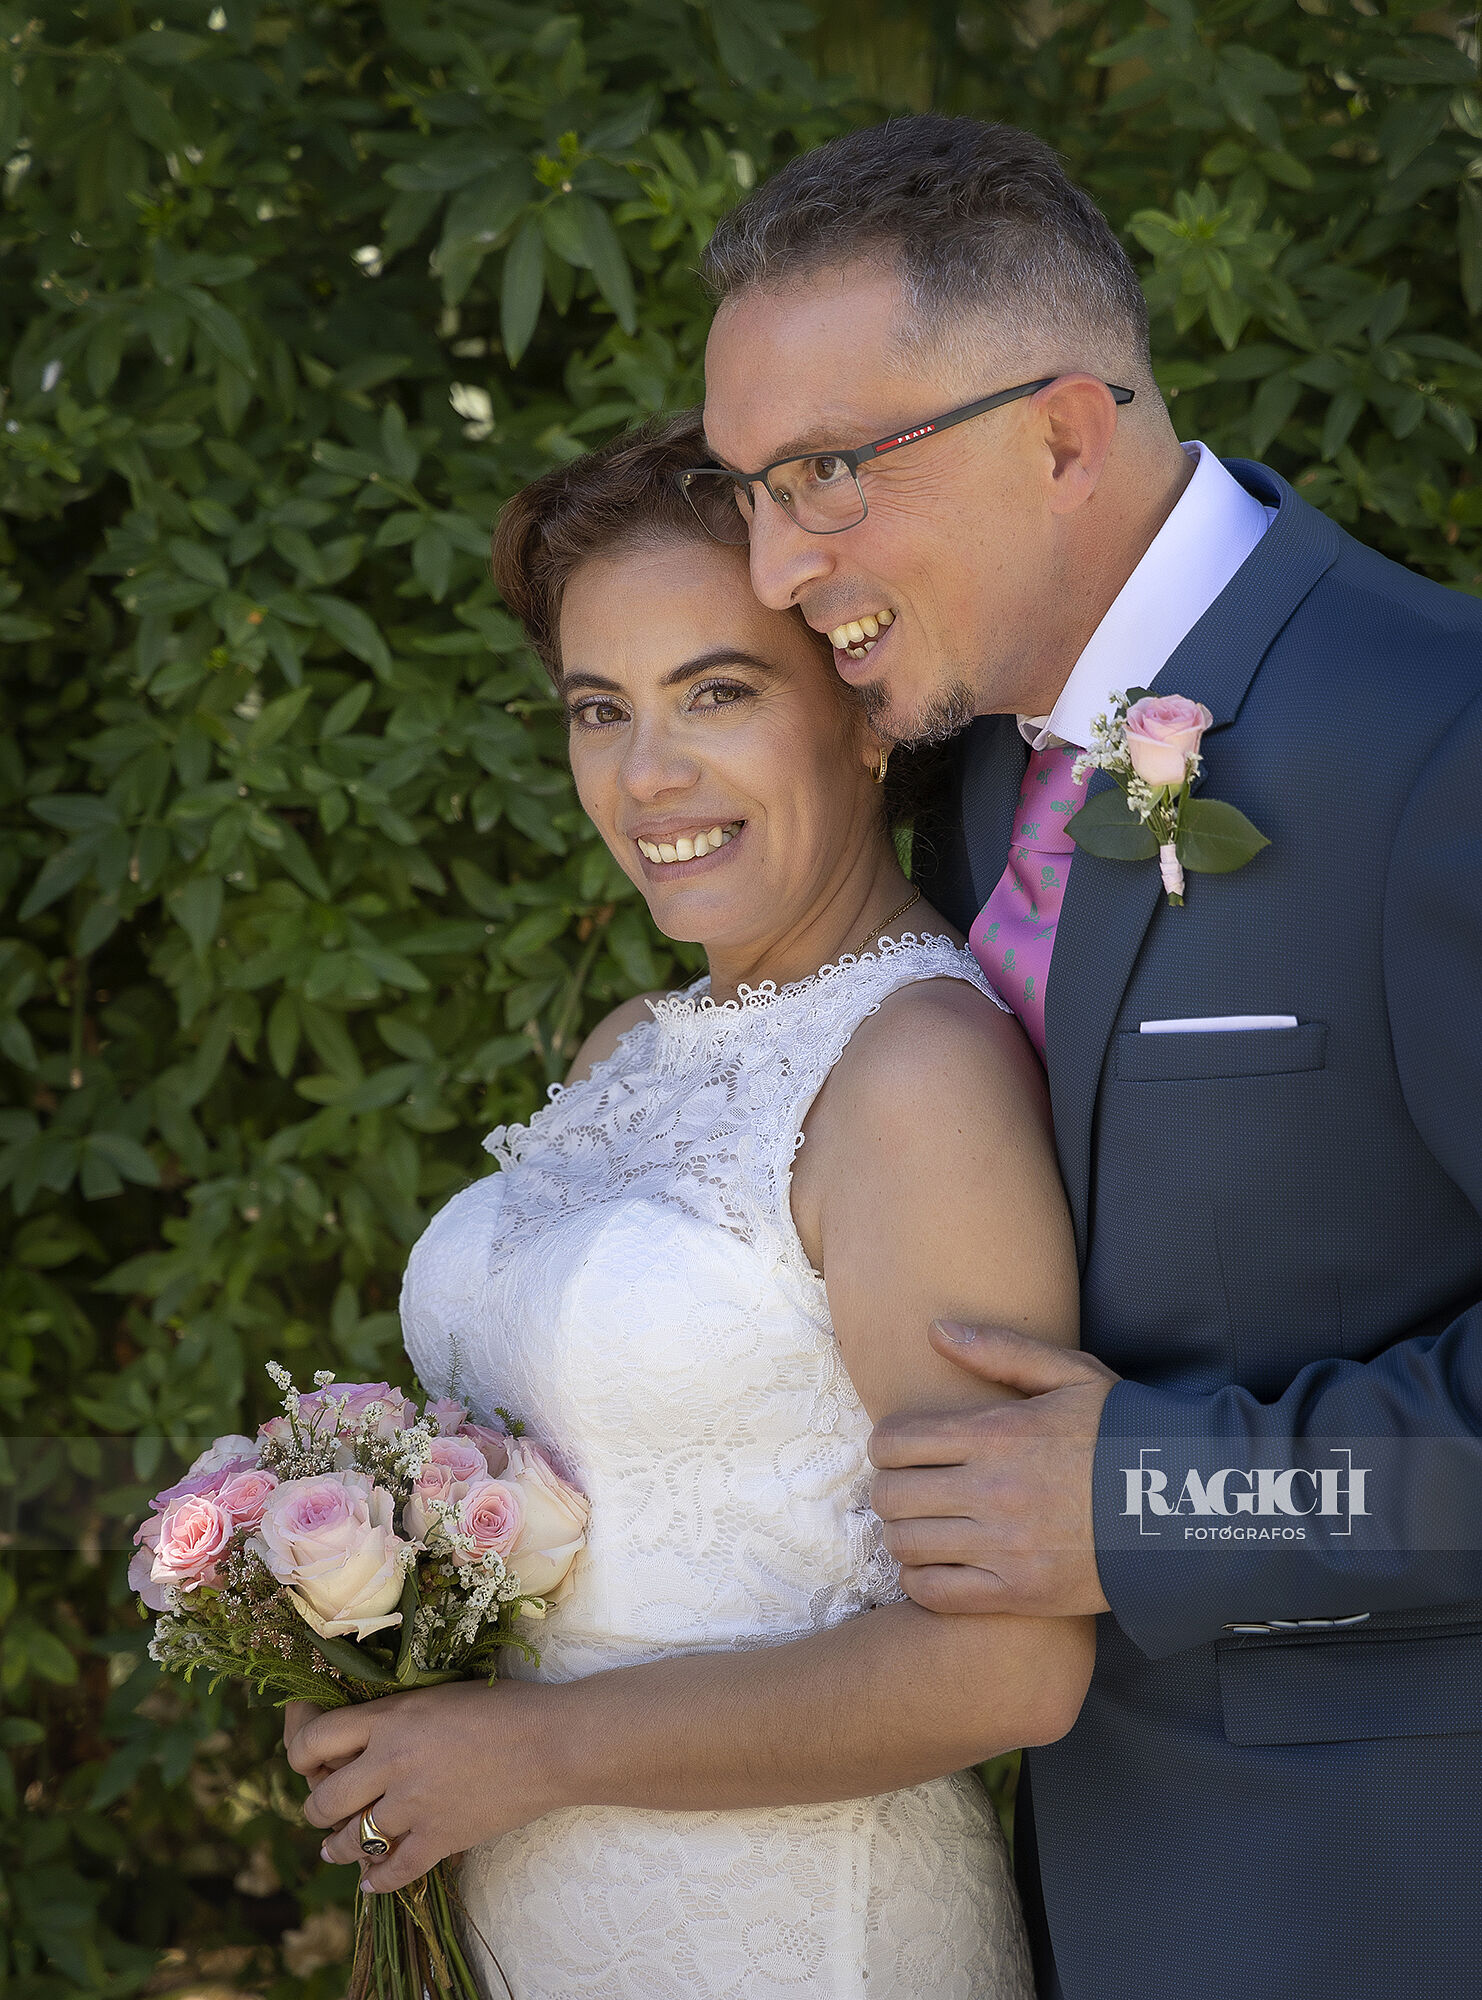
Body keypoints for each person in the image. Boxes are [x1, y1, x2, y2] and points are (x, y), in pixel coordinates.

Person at [694, 113, 1482, 2000]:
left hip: (1384, 1895)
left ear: (1056, 434)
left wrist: (1164, 1497)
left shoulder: (1440, 744)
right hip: (1044, 1893)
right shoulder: (969, 768)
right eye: (742, 492)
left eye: (822, 476)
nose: (772, 567)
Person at [283, 411, 1092, 1999]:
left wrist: (532, 1749)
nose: (646, 775)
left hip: (798, 1935)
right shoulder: (628, 1046)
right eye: (600, 709)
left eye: (716, 692)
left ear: (864, 713)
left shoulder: (913, 1075)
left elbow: (1009, 1664)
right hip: (538, 1915)